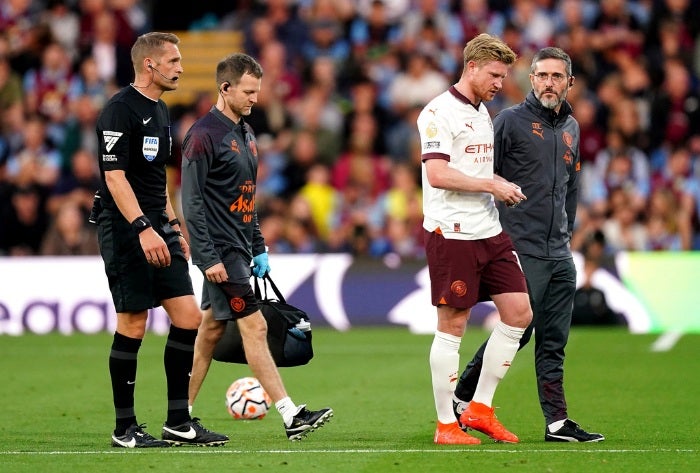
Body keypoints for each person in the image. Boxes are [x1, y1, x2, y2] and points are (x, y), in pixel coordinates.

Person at [452, 47, 605, 443]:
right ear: (531, 79)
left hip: (559, 250)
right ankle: (462, 396)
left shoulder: (571, 126)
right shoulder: (509, 122)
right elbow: (483, 177)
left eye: (557, 76)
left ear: (570, 82)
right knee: (518, 329)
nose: (548, 83)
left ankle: (557, 422)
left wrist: (568, 234)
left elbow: (571, 187)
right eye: (542, 75)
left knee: (554, 339)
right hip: (519, 245)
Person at [180, 53, 333, 441]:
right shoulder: (202, 136)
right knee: (256, 325)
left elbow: (247, 198)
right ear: (225, 88)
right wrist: (207, 256)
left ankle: (179, 416)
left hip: (239, 249)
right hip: (220, 252)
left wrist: (259, 246)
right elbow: (192, 200)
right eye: (248, 91)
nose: (254, 98)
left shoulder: (246, 134)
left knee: (211, 331)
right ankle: (290, 414)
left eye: (258, 91)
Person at [93, 32, 228, 448]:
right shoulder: (119, 110)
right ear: (149, 65)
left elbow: (157, 179)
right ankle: (124, 428)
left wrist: (171, 224)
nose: (180, 67)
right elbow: (114, 176)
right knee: (134, 323)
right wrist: (142, 227)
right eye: (172, 61)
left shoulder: (162, 109)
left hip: (156, 226)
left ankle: (177, 421)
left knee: (188, 317)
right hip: (124, 228)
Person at [417, 33, 532, 446]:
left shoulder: (482, 111)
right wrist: (491, 184)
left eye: (503, 76)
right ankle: (447, 424)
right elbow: (437, 174)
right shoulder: (437, 113)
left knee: (519, 312)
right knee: (454, 325)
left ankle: (480, 409)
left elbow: (471, 170)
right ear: (471, 67)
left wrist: (495, 185)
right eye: (494, 74)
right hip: (453, 232)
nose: (500, 83)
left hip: (489, 230)